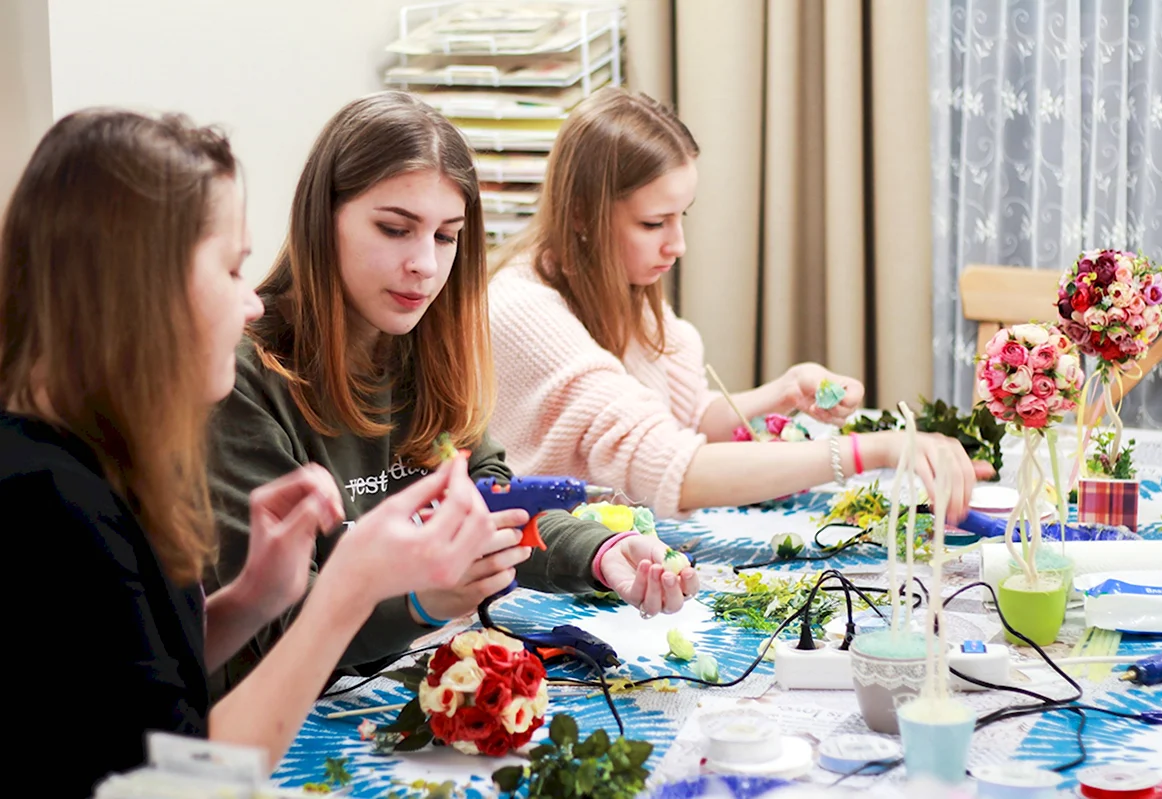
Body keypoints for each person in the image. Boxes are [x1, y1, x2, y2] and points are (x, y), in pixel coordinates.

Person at [0, 109, 501, 797]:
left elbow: (133, 683)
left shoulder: (99, 455)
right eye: (233, 269)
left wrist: (251, 600)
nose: (253, 304)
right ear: (140, 286)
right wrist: (350, 590)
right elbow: (171, 781)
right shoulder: (45, 500)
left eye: (446, 236)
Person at [205, 91, 700, 692]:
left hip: (398, 679)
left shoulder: (421, 344)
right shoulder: (242, 378)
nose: (424, 264)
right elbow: (272, 626)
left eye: (446, 236)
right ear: (321, 218)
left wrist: (600, 552)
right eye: (394, 228)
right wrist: (419, 603)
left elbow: (493, 501)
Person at [488, 87, 991, 521]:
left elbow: (680, 422)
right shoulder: (523, 310)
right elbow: (668, 467)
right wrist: (870, 449)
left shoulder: (616, 285)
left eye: (682, 215)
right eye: (653, 223)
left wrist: (785, 390)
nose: (678, 244)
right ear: (581, 214)